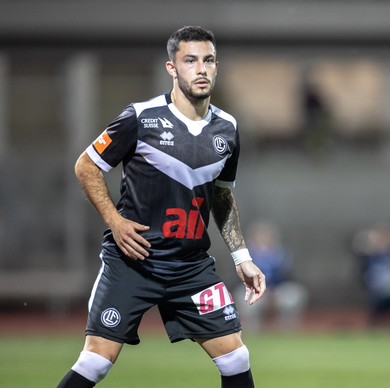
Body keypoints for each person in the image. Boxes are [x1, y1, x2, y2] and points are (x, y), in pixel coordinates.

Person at [57, 26, 266, 388]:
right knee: (95, 363)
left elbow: (221, 195)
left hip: (190, 267)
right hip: (134, 262)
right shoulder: (140, 118)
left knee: (236, 358)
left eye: (208, 60)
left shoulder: (227, 129)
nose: (201, 69)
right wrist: (114, 220)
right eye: (190, 61)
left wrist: (241, 256)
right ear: (172, 68)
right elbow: (86, 165)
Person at [236, 220, 308, 331]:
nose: (264, 238)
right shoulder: (246, 256)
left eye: (267, 235)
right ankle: (252, 331)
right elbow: (240, 278)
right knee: (243, 297)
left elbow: (289, 276)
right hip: (256, 291)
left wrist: (273, 291)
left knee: (294, 294)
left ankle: (287, 329)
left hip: (278, 291)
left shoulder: (281, 253)